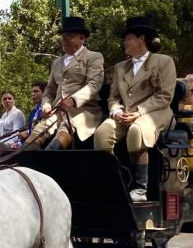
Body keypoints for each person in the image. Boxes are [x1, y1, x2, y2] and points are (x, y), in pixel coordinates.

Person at [94, 15, 176, 202]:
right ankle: (115, 181)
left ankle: (140, 188)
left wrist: (139, 112)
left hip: (156, 112)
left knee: (137, 131)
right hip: (125, 114)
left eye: (128, 38)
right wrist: (116, 111)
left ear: (142, 38)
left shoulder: (163, 62)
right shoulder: (120, 67)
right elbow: (114, 97)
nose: (124, 42)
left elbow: (164, 96)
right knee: (102, 133)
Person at [25, 16, 104, 150]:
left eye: (70, 36)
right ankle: (22, 153)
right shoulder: (57, 62)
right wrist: (46, 105)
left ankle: (51, 153)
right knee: (40, 129)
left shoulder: (93, 57)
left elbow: (94, 85)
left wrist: (73, 100)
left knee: (67, 126)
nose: (64, 40)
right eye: (63, 36)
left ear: (82, 38)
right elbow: (49, 90)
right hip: (56, 111)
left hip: (83, 110)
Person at [17, 81, 46, 146]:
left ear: (45, 93)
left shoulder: (48, 110)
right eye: (32, 92)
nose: (32, 94)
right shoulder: (33, 112)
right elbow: (30, 130)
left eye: (36, 91)